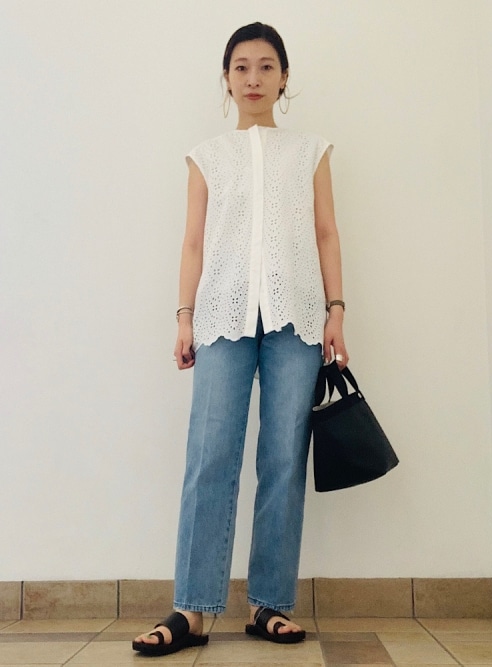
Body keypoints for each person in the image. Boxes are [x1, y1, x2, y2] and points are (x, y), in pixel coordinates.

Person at [132, 21, 348, 657]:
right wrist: (184, 317)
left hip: (297, 319)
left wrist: (336, 311)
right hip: (221, 317)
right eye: (241, 67)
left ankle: (269, 603)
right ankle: (192, 609)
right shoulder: (207, 155)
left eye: (266, 66)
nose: (253, 78)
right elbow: (193, 242)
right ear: (226, 80)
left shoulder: (310, 151)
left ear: (284, 78)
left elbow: (327, 233)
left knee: (283, 458)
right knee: (210, 456)